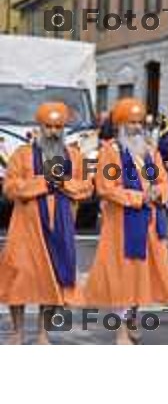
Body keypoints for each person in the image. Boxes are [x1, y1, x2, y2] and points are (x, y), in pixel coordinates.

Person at [84, 98, 168, 345]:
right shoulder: (110, 152)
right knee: (124, 278)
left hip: (150, 226)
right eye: (131, 122)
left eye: (139, 122)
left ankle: (133, 317)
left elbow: (165, 182)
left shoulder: (150, 151)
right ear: (121, 124)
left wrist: (161, 193)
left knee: (141, 277)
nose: (137, 127)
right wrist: (139, 197)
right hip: (122, 228)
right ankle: (122, 333)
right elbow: (105, 188)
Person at [0, 102, 93, 344]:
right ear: (40, 127)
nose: (53, 131)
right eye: (49, 126)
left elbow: (87, 188)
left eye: (58, 127)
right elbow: (10, 188)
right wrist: (42, 183)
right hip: (25, 229)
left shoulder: (74, 155)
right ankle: (17, 332)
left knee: (51, 281)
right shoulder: (22, 154)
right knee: (18, 279)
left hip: (59, 228)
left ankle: (43, 334)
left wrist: (64, 184)